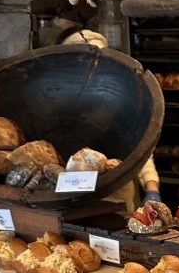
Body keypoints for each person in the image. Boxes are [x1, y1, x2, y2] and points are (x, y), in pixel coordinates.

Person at [61, 29, 161, 213]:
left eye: (98, 62)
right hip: (71, 200)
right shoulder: (54, 102)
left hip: (119, 198)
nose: (93, 68)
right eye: (87, 62)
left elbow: (140, 149)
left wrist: (151, 188)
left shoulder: (120, 99)